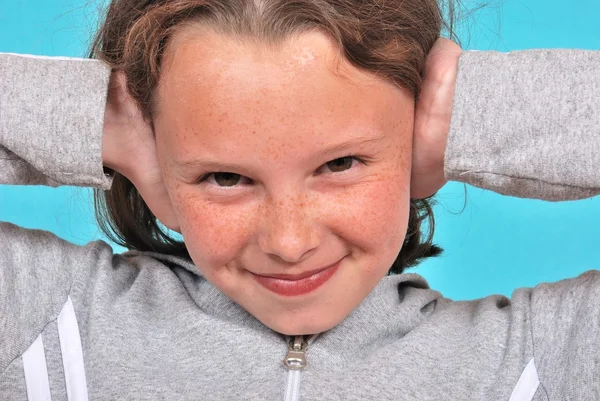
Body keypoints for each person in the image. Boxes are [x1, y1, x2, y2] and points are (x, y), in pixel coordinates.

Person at [1, 0, 598, 399]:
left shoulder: (540, 361)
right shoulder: (49, 321)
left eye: (340, 163)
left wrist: (473, 117)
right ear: (157, 164)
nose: (289, 242)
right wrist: (98, 120)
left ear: (417, 145)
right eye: (225, 177)